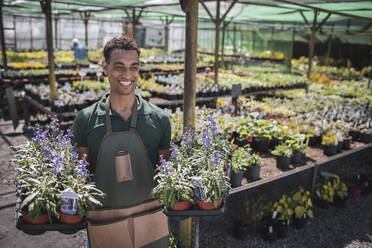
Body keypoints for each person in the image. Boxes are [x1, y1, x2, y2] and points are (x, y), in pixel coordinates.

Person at [72, 35, 171, 248]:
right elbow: (81, 176)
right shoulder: (86, 120)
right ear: (105, 68)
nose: (128, 75)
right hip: (105, 226)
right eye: (119, 67)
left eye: (133, 67)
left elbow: (168, 177)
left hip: (151, 224)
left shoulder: (159, 119)